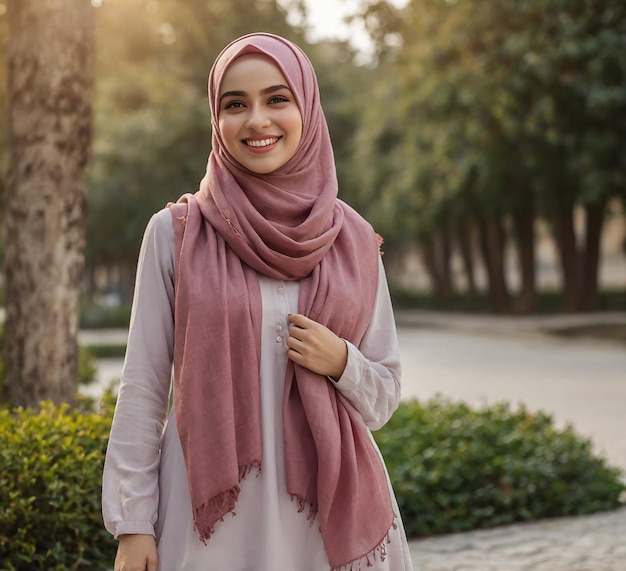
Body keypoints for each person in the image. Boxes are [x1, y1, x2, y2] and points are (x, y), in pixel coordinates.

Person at [102, 32, 413, 571]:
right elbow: (143, 385)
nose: (257, 120)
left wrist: (341, 361)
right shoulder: (176, 233)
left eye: (277, 99)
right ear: (216, 121)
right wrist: (132, 523)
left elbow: (384, 396)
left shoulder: (353, 240)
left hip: (323, 518)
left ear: (307, 108)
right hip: (209, 522)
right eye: (235, 105)